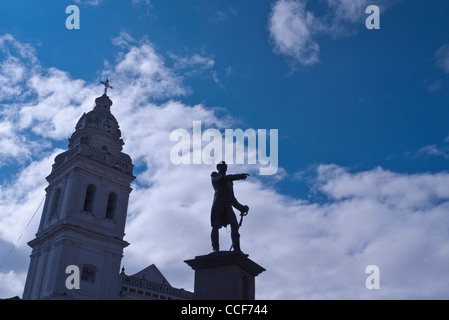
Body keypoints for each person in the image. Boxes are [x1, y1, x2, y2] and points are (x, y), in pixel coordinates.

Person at [210, 161, 249, 253]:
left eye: (226, 166)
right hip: (218, 203)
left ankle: (236, 248)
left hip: (227, 205)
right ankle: (215, 248)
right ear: (218, 167)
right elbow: (222, 179)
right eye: (223, 166)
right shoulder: (215, 175)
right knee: (215, 226)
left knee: (234, 225)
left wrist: (241, 208)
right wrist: (239, 176)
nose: (225, 168)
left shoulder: (229, 182)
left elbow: (232, 198)